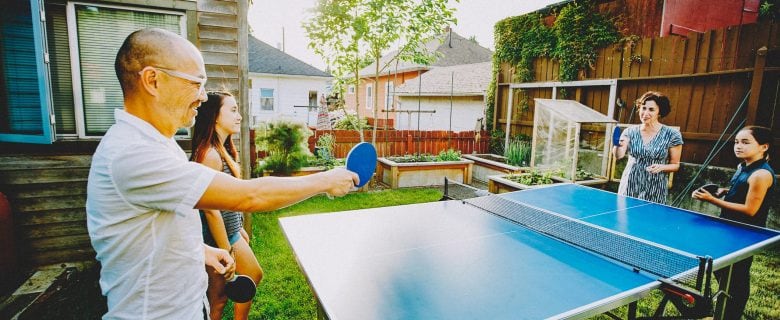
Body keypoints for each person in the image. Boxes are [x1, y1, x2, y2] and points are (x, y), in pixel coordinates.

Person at [86, 28, 358, 319]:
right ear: (153, 80)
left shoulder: (157, 145)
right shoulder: (133, 153)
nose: (203, 97)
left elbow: (157, 229)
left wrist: (201, 250)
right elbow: (249, 196)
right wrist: (326, 180)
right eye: (196, 83)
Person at [190, 92, 261, 320]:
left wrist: (238, 226)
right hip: (217, 239)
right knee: (245, 279)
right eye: (232, 110)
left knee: (219, 298)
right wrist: (227, 252)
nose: (239, 116)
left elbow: (226, 199)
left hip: (230, 232)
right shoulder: (209, 154)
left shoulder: (222, 149)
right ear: (215, 117)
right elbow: (210, 210)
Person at [692, 125, 775, 319]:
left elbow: (750, 210)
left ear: (764, 147)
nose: (738, 146)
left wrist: (712, 200)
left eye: (746, 142)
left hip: (745, 233)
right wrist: (723, 191)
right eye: (737, 142)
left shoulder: (761, 175)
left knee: (736, 279)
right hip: (728, 227)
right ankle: (722, 311)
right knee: (721, 270)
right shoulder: (742, 166)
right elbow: (738, 190)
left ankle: (730, 315)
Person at [612, 91, 683, 204]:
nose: (645, 113)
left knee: (651, 219)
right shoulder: (629, 131)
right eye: (643, 108)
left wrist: (662, 167)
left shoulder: (672, 134)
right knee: (624, 218)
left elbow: (675, 165)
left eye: (651, 109)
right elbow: (619, 155)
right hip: (630, 182)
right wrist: (617, 145)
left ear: (659, 112)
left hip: (655, 185)